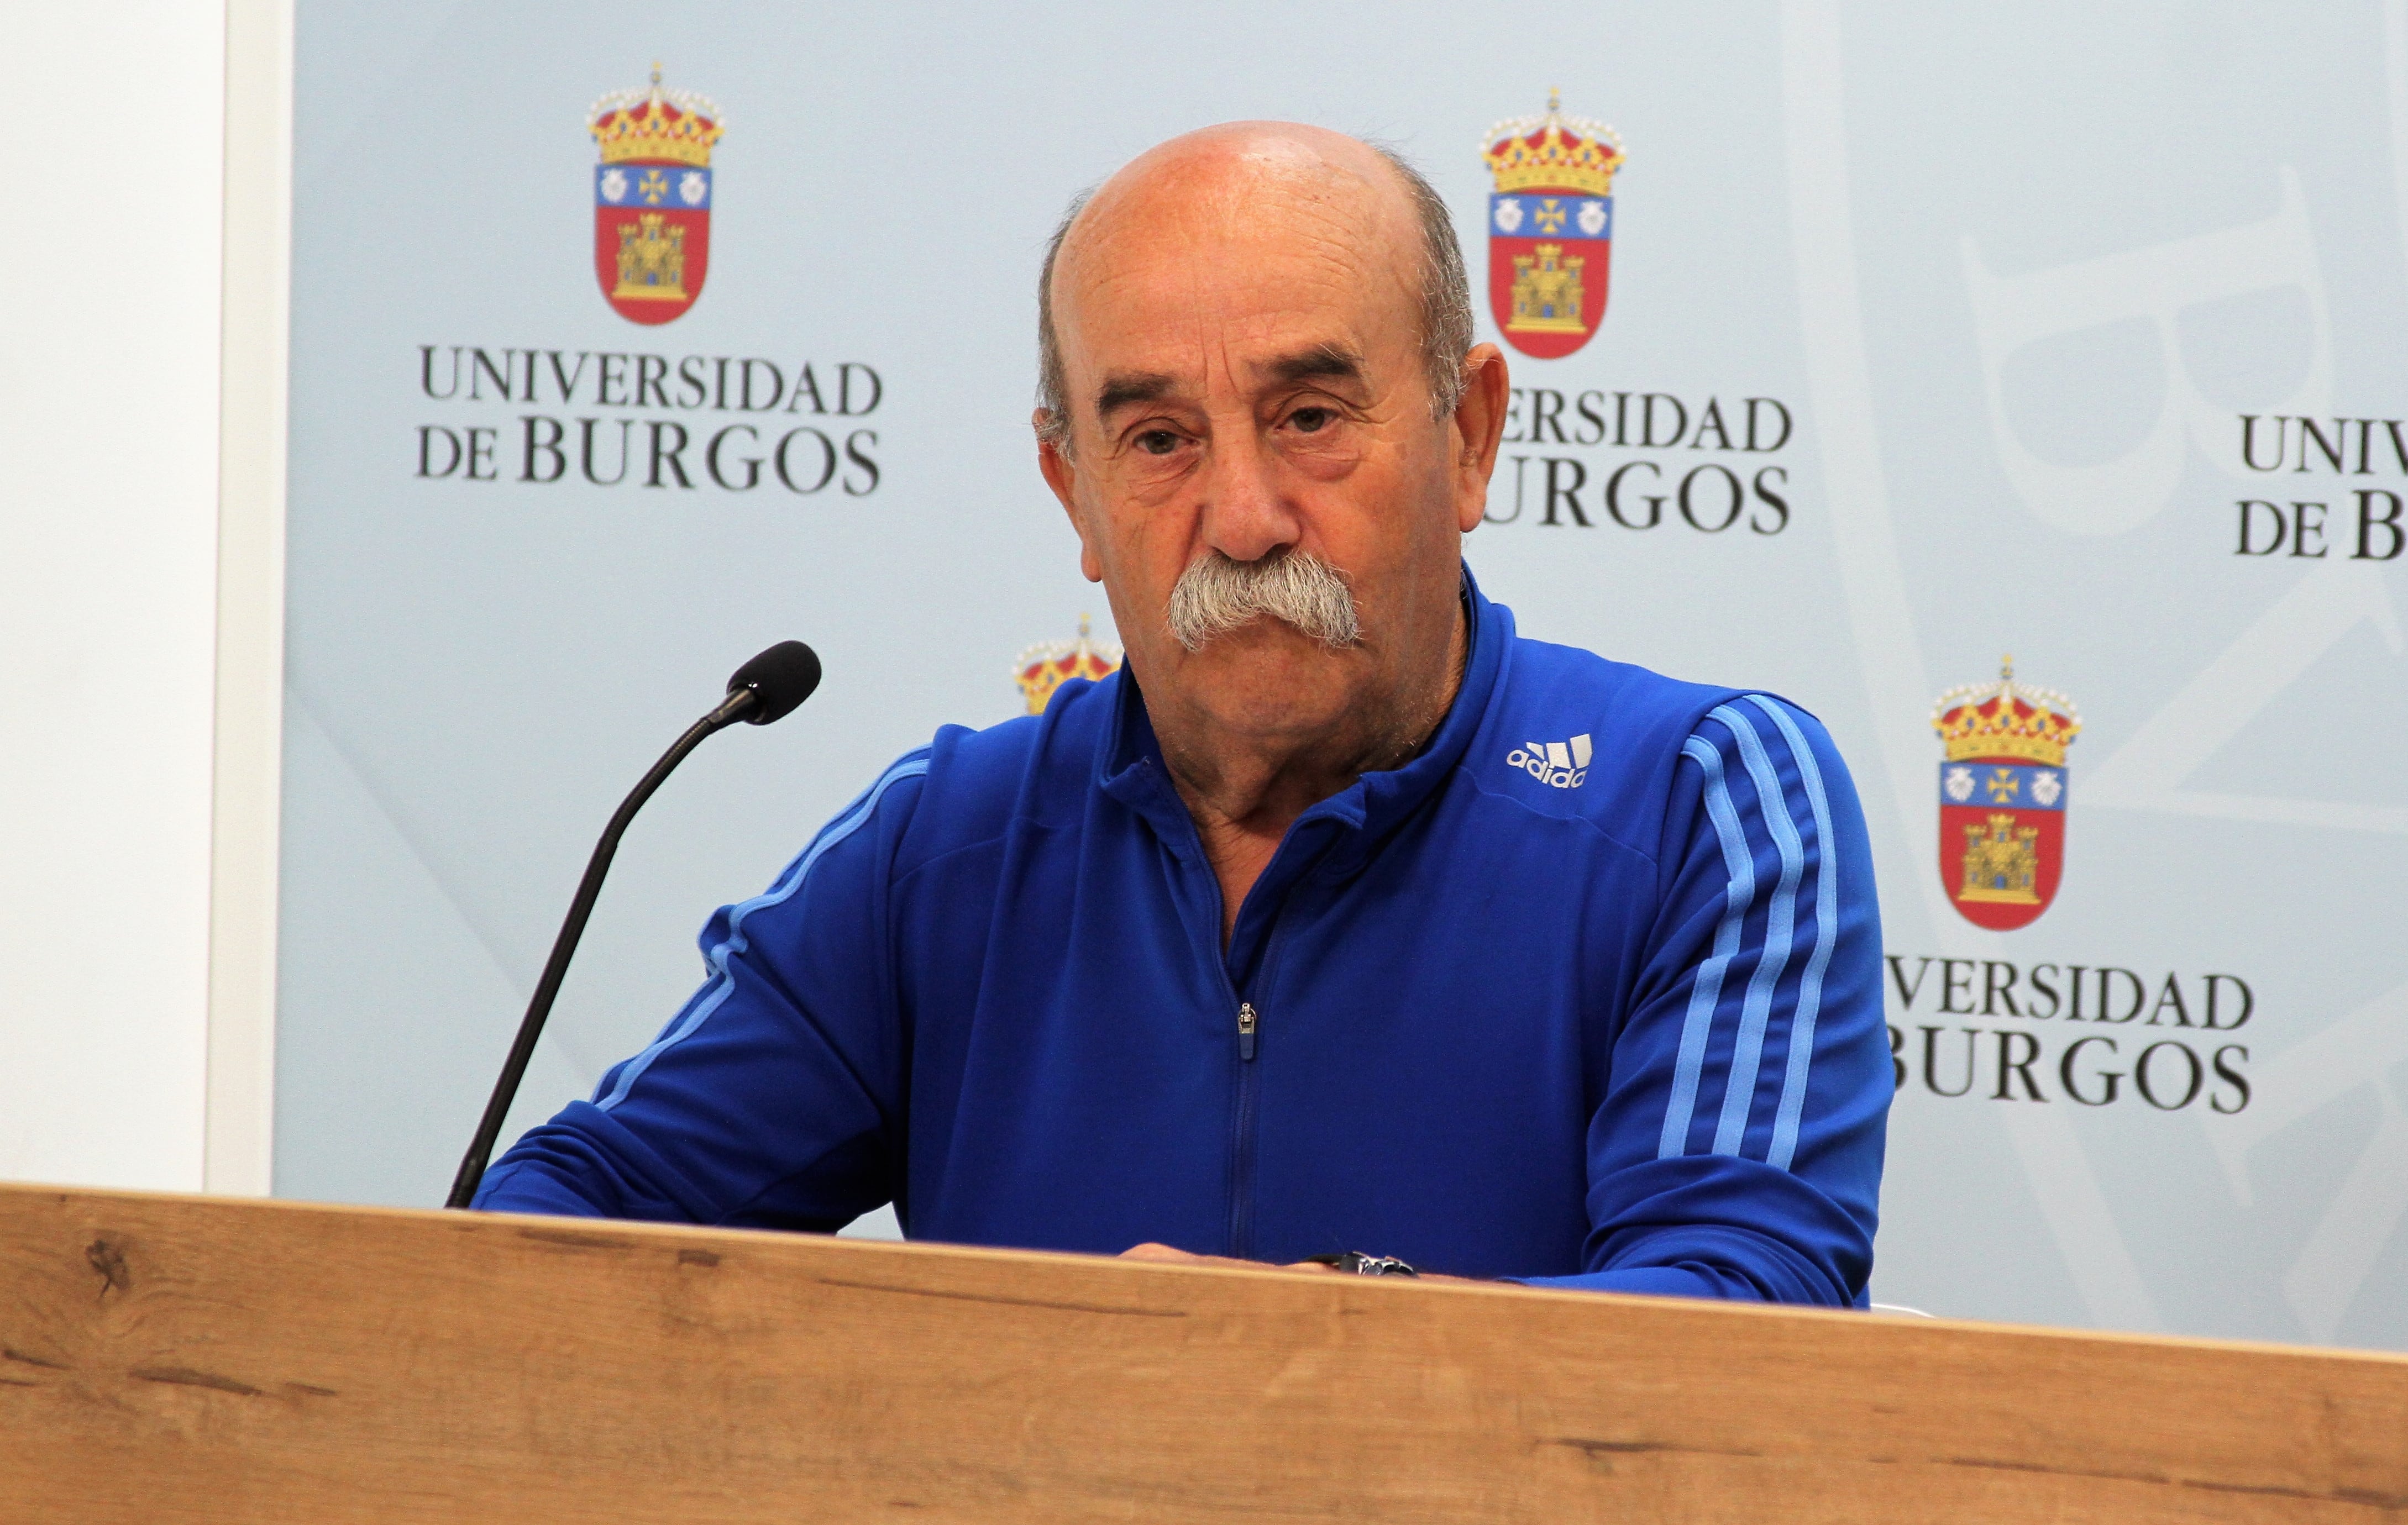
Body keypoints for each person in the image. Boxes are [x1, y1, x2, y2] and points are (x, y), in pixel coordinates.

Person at [475, 123, 1891, 1303]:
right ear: (1072, 495)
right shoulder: (945, 847)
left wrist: (1290, 1355)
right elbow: (565, 1219)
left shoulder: (1700, 801)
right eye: (1158, 441)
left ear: (1468, 438)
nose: (1242, 518)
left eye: (1311, 418)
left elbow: (1734, 1318)